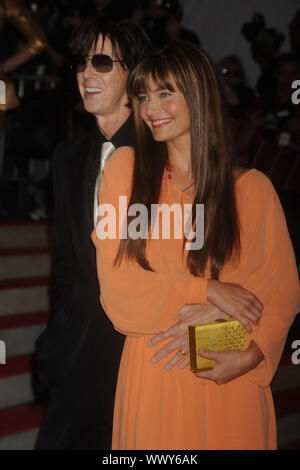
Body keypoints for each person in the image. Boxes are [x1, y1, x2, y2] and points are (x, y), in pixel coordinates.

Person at [92, 41, 300, 450]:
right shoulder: (125, 172)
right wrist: (207, 291)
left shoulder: (254, 189)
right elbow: (119, 290)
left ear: (199, 93)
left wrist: (253, 354)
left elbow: (282, 291)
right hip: (155, 377)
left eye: (165, 92)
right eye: (143, 96)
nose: (151, 107)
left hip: (231, 379)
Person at [34, 16, 151, 450]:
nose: (87, 73)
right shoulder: (68, 156)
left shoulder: (162, 151)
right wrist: (58, 334)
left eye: (102, 62)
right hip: (77, 352)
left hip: (138, 351)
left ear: (133, 72)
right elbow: (66, 261)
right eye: (81, 63)